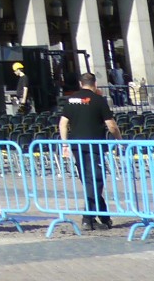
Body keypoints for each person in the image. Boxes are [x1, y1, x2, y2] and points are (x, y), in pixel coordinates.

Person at [57, 71, 120, 231]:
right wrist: (119, 140)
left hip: (77, 146)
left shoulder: (71, 100)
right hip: (95, 146)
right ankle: (87, 218)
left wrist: (65, 144)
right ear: (95, 84)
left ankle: (104, 216)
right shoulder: (99, 100)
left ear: (80, 84)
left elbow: (63, 123)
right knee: (96, 180)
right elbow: (111, 125)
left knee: (89, 182)